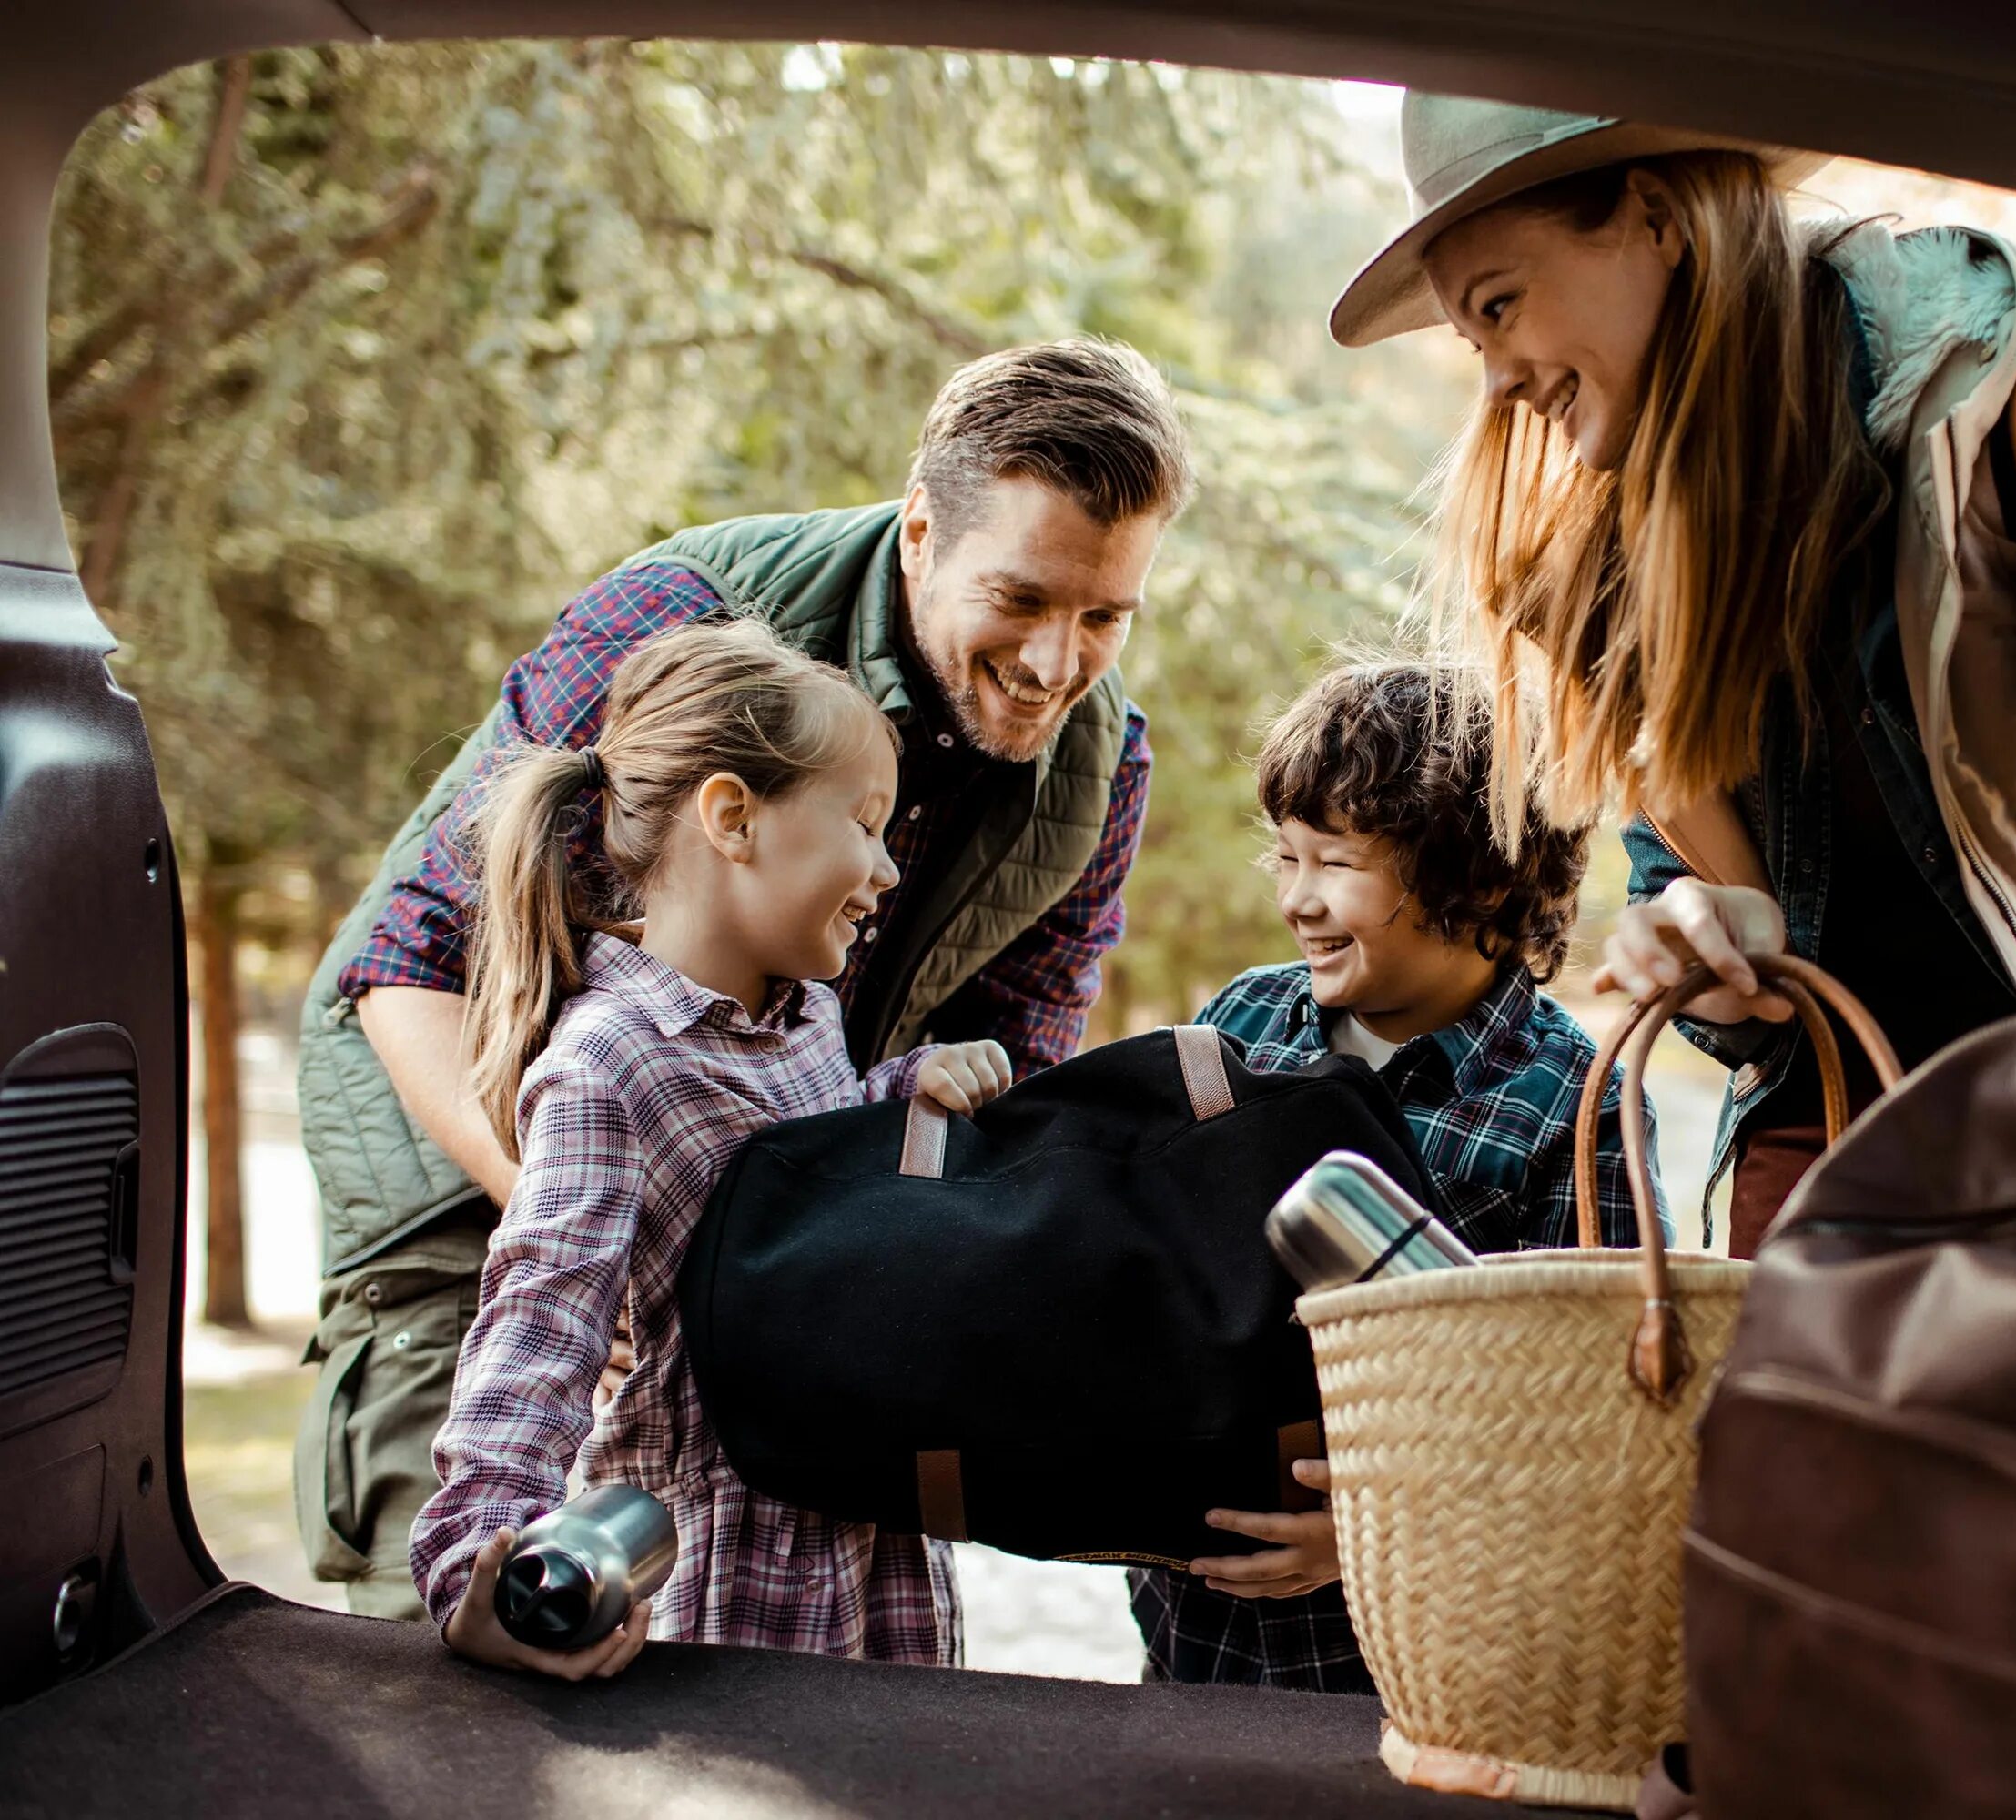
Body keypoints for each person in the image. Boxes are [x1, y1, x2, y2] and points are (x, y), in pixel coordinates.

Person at [1330, 95, 2016, 1247]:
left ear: (1656, 216)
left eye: (1501, 307)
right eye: (1476, 343)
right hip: (1833, 1162)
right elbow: (1741, 972)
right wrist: (1698, 940)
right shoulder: (1608, 572)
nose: (1500, 384)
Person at [292, 339, 1190, 1619]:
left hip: (753, 1205)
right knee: (465, 1639)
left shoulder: (1101, 773)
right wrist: (612, 1253)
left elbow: (1003, 1106)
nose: (1057, 662)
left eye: (1106, 617)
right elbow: (408, 961)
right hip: (473, 1149)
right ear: (923, 531)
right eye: (1025, 599)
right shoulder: (682, 611)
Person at [406, 618, 1010, 1676]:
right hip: (731, 1584)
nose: (885, 869)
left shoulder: (806, 1018)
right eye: (866, 824)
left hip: (872, 1555)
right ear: (733, 816)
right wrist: (478, 1567)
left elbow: (800, 1184)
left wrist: (898, 1095)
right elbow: (539, 1327)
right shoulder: (611, 1062)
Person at [1127, 660, 1664, 1694]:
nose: (1296, 898)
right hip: (1188, 1639)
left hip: (1402, 1660)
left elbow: (1589, 1423)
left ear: (1485, 874)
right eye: (1284, 855)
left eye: (1335, 861)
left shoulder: (1575, 1107)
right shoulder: (1241, 1020)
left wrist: (1366, 1536)